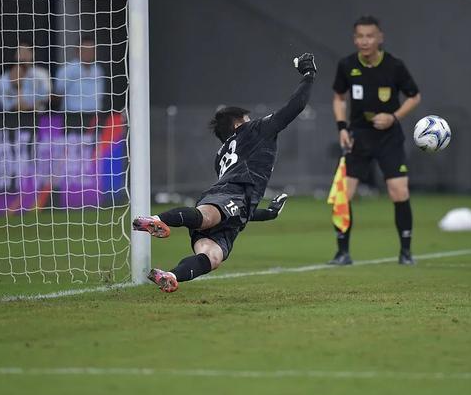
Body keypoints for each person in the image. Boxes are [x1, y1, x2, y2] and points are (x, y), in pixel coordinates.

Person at [132, 53, 317, 293]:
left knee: (211, 256)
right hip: (230, 196)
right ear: (239, 124)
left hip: (233, 209)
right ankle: (157, 219)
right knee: (208, 217)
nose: (253, 120)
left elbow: (239, 209)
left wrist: (268, 213)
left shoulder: (221, 155)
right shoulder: (254, 130)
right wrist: (308, 75)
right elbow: (295, 107)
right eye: (248, 118)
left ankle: (170, 275)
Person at [329, 15, 421, 266]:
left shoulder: (394, 66)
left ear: (380, 38)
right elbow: (339, 98)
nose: (365, 41)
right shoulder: (347, 65)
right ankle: (342, 253)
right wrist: (342, 127)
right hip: (358, 136)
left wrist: (394, 117)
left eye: (370, 36)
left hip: (389, 138)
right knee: (343, 194)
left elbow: (414, 96)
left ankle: (406, 252)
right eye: (360, 36)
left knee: (399, 191)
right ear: (354, 39)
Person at [54, 35, 106, 113]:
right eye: (85, 50)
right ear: (77, 51)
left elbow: (100, 96)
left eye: (91, 50)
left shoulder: (98, 70)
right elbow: (58, 93)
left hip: (94, 115)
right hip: (72, 115)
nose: (88, 53)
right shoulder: (67, 70)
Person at [0, 42, 51, 112]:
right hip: (11, 116)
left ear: (32, 54)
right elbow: (5, 106)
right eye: (21, 52)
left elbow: (46, 98)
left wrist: (32, 106)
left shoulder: (41, 74)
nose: (24, 56)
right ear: (15, 55)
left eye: (26, 52)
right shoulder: (3, 80)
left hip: (39, 115)